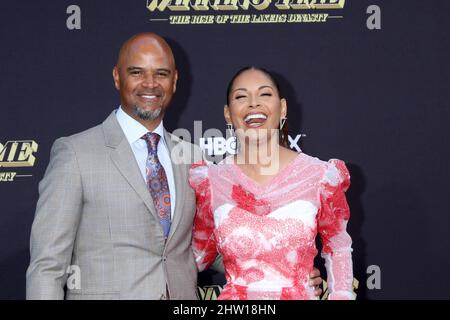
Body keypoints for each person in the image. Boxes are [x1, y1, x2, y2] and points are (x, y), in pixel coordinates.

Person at [26, 33, 324, 300]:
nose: (150, 84)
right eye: (137, 72)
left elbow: (216, 245)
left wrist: (283, 268)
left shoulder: (194, 158)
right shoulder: (76, 153)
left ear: (175, 81)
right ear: (117, 77)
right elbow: (47, 266)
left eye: (161, 73)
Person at [189, 67, 354, 300]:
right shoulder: (212, 181)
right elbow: (197, 257)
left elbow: (338, 249)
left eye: (264, 94)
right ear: (228, 114)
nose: (253, 104)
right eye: (241, 96)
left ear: (283, 107)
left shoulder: (319, 176)